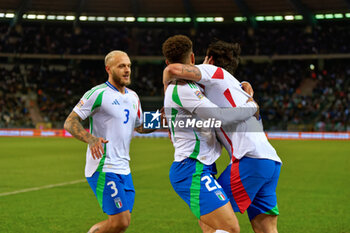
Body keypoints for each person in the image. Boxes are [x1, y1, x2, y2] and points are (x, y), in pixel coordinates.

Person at [163, 39, 282, 233]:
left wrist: (165, 85)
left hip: (248, 158)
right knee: (265, 228)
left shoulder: (209, 72)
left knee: (212, 221)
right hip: (270, 160)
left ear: (207, 59)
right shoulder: (236, 86)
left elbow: (173, 70)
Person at [64, 50, 154, 233]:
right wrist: (90, 138)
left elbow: (139, 126)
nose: (127, 70)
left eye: (129, 66)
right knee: (120, 221)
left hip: (124, 168)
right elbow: (70, 121)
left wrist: (162, 120)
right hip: (103, 166)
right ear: (108, 69)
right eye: (121, 66)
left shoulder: (133, 97)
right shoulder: (97, 93)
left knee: (120, 224)